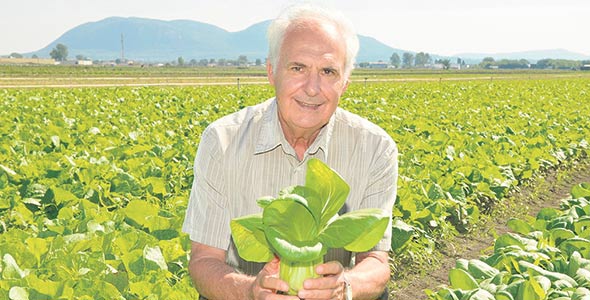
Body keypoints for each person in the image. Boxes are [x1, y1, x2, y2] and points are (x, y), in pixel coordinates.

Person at [182, 3, 398, 299]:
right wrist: (251, 291)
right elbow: (204, 261)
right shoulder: (222, 140)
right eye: (298, 68)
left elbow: (376, 262)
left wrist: (344, 286)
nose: (312, 88)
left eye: (328, 71)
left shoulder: (375, 147)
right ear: (272, 72)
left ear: (345, 82)